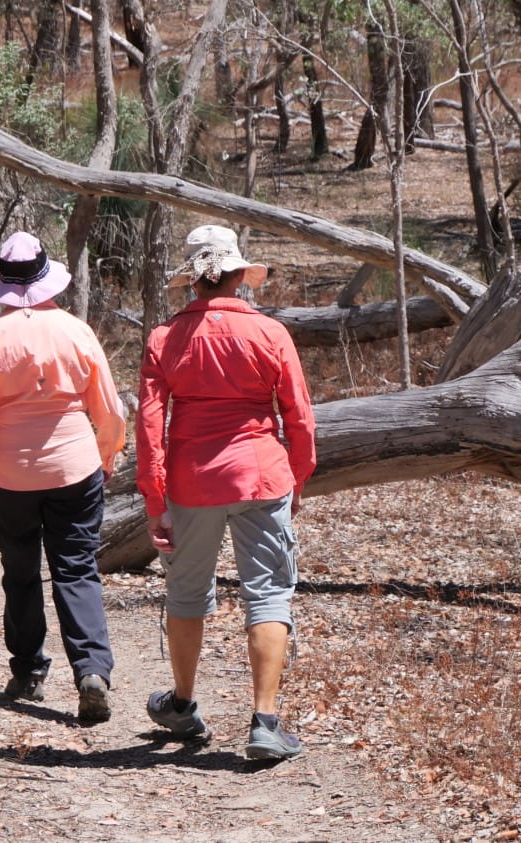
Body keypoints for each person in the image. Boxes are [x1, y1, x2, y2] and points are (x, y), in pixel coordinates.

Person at [136, 224, 317, 760]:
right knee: (268, 593)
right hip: (262, 474)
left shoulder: (164, 338)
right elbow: (300, 418)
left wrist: (155, 500)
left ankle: (184, 705)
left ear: (191, 282)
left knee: (186, 593)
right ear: (239, 275)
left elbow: (150, 427)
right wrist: (298, 477)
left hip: (192, 482)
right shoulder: (271, 334)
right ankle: (264, 722)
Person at [0, 232, 125, 723]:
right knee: (76, 569)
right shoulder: (76, 331)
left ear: (2, 282)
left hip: (8, 475)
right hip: (75, 467)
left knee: (20, 573)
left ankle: (27, 672)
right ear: (49, 280)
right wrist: (106, 454)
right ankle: (91, 671)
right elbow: (108, 407)